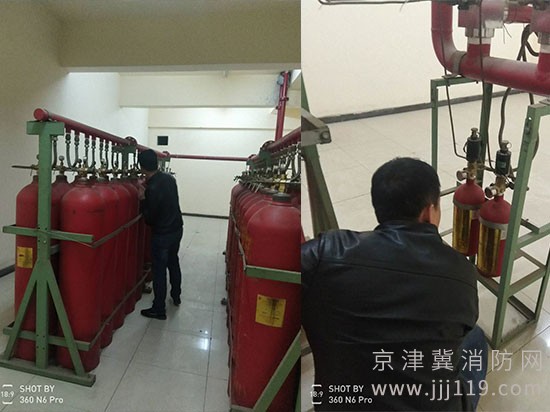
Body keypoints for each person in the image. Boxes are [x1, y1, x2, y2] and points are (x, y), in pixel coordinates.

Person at [302, 157, 487, 411]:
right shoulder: (462, 273)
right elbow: (462, 327)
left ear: (379, 209)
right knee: (476, 339)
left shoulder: (325, 253)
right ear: (429, 211)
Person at [137, 149, 184, 320]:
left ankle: (158, 309)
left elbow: (150, 219)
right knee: (173, 262)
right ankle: (176, 296)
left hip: (162, 234)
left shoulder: (151, 188)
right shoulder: (170, 179)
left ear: (142, 167)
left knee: (159, 271)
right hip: (177, 229)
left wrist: (142, 199)